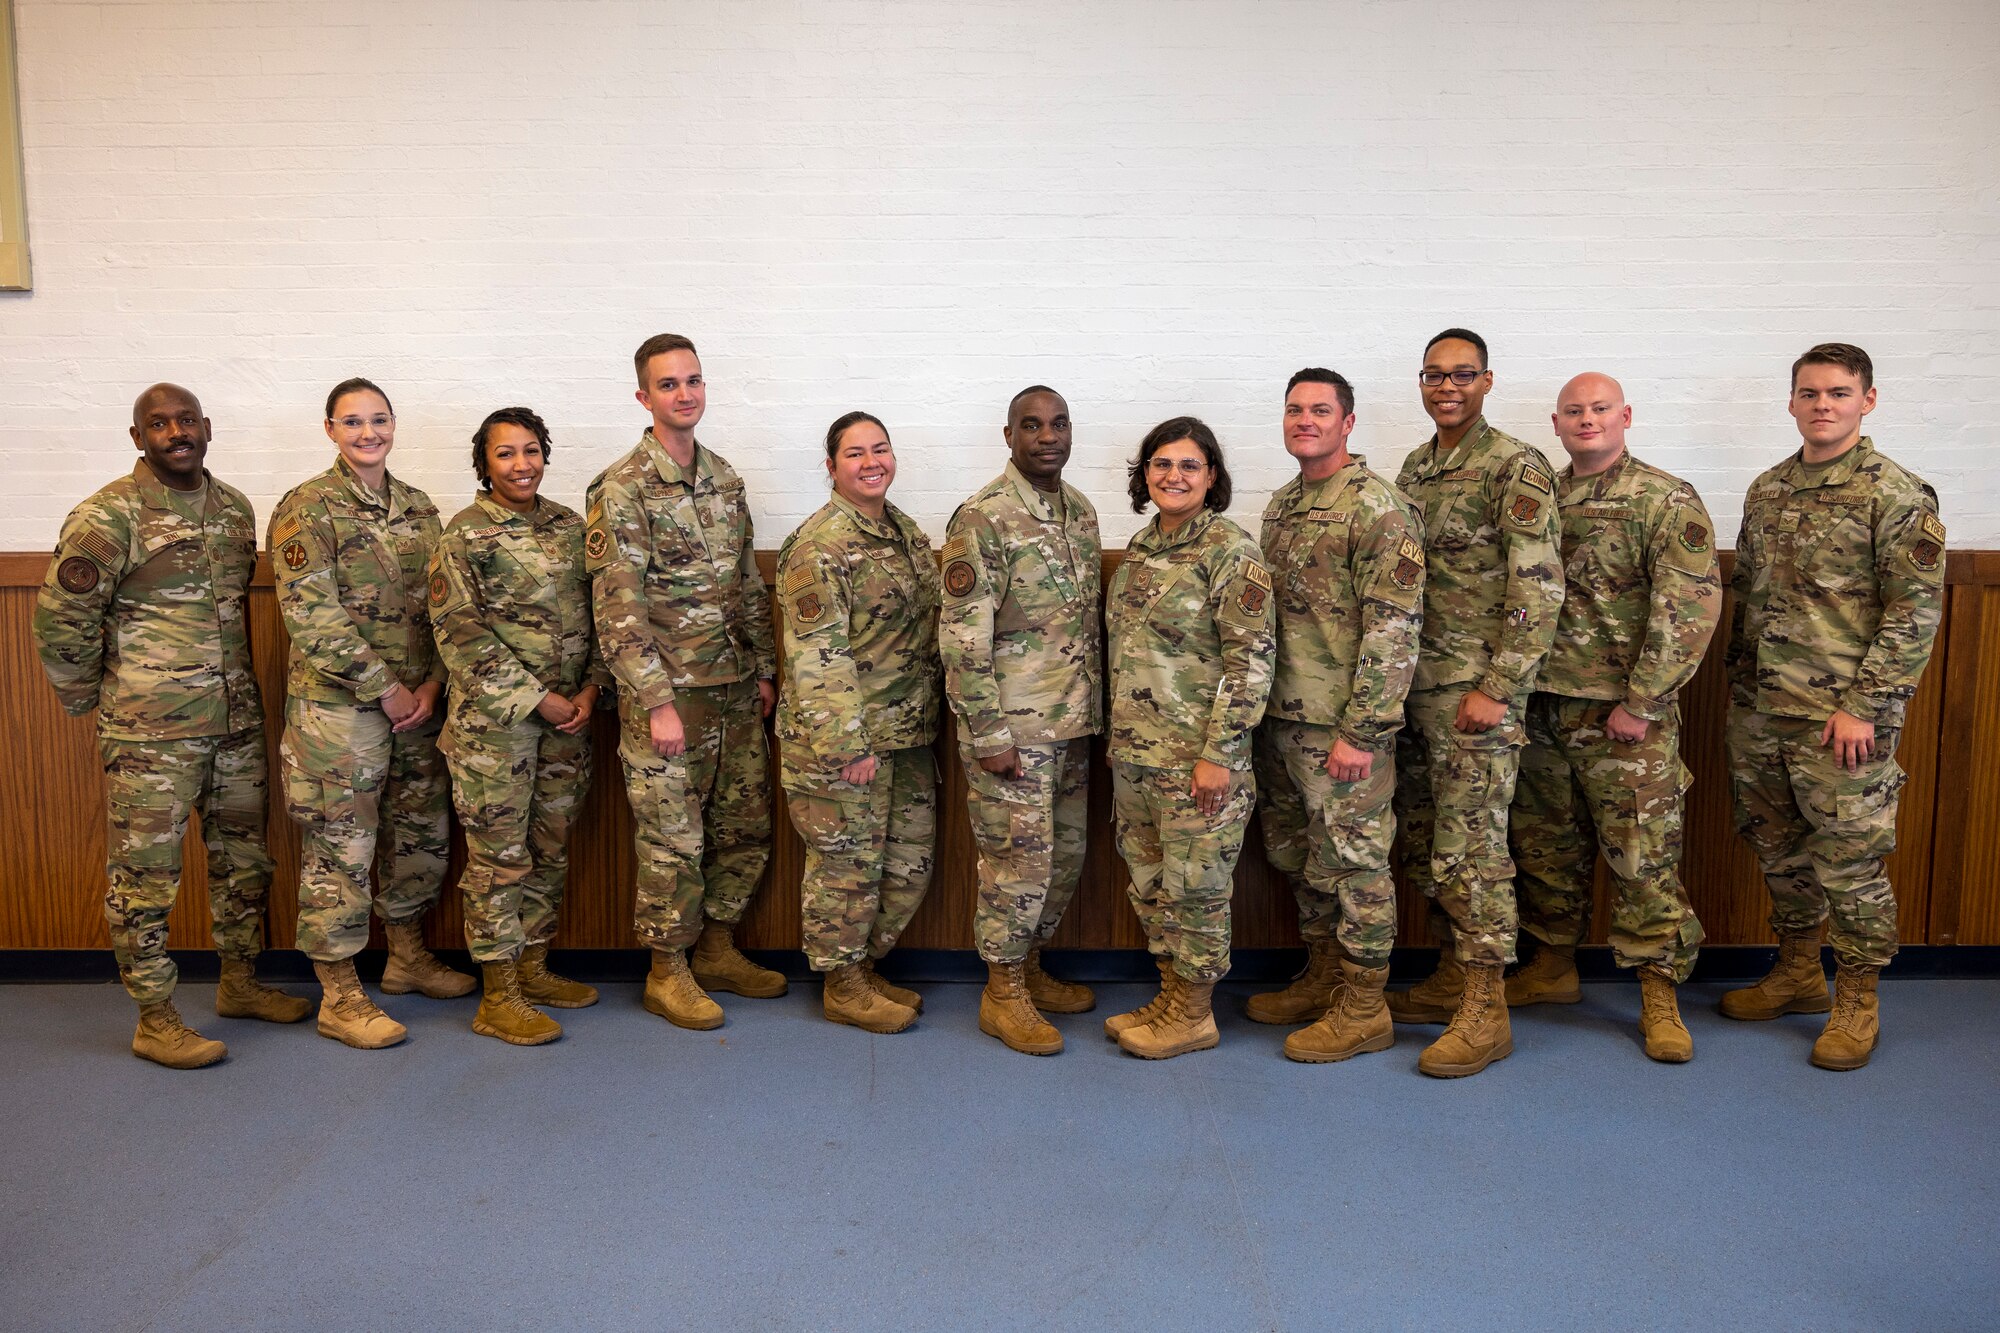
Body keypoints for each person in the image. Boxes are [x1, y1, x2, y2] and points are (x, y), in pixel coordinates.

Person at [34, 383, 309, 1068]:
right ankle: (155, 1017)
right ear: (138, 438)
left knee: (245, 863)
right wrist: (95, 701)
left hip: (235, 724)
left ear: (207, 428)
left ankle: (240, 984)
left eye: (186, 420)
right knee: (145, 877)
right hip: (150, 733)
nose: (175, 432)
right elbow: (61, 619)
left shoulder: (234, 508)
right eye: (158, 424)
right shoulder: (109, 516)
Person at [1720, 343, 1943, 1070]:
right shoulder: (1768, 488)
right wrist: (1739, 694)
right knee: (1780, 852)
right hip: (1763, 709)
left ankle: (1858, 995)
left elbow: (1914, 613)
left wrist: (1866, 707)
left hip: (1841, 717)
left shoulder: (1895, 493)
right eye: (1810, 392)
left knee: (1850, 860)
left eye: (1839, 393)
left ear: (1867, 401)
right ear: (1791, 402)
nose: (1823, 404)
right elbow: (1748, 596)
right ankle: (1797, 969)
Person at [1505, 373, 1720, 1062]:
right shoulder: (1541, 498)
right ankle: (1553, 966)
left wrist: (1643, 701)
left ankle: (1659, 993)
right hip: (1543, 706)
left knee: (1641, 856)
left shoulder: (1664, 497)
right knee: (1544, 848)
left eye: (1599, 409)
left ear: (1625, 415)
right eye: (1574, 411)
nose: (1587, 419)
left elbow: (1688, 609)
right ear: (1557, 422)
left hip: (1624, 716)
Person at [586, 334, 785, 1032]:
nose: (685, 393)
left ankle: (718, 948)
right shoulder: (621, 487)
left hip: (733, 691)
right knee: (673, 841)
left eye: (694, 380)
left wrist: (762, 668)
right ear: (643, 396)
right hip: (669, 700)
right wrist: (655, 701)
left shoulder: (724, 479)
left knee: (743, 827)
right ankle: (667, 971)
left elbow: (746, 586)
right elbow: (618, 606)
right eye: (668, 384)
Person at [270, 377, 470, 1050]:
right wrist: (386, 688)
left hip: (418, 707)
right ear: (329, 428)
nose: (367, 433)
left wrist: (435, 685)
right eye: (352, 422)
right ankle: (339, 992)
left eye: (378, 419)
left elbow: (445, 603)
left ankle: (407, 957)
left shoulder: (418, 508)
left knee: (420, 839)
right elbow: (312, 616)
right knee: (342, 850)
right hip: (343, 713)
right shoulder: (308, 507)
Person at [1390, 328, 1564, 1078]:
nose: (1447, 385)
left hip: (1476, 699)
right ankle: (1450, 975)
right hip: (1417, 692)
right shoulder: (1417, 468)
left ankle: (1486, 1009)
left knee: (1475, 851)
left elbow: (1539, 582)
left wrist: (1500, 687)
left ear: (1488, 382)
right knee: (1432, 840)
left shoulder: (1512, 465)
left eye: (1463, 374)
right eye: (1435, 374)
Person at [1246, 369, 1424, 1064]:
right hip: (1281, 717)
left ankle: (1364, 1003)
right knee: (1299, 855)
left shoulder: (1379, 507)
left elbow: (1394, 626)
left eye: (1320, 410)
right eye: (1294, 409)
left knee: (1355, 863)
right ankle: (1322, 974)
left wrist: (1364, 730)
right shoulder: (1284, 505)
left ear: (1348, 422)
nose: (1305, 420)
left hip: (1343, 728)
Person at [430, 408, 609, 1045]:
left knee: (550, 847)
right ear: (484, 464)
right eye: (505, 454)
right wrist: (538, 700)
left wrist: (590, 687)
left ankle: (533, 966)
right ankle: (498, 993)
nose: (521, 465)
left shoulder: (570, 527)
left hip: (570, 721)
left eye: (531, 451)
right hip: (496, 730)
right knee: (499, 860)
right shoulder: (465, 535)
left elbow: (602, 613)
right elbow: (460, 634)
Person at [1103, 417, 1275, 1060]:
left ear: (1212, 477)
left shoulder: (1231, 553)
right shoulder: (1143, 547)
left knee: (1198, 888)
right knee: (1150, 882)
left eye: (1189, 466)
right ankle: (1174, 994)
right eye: (1161, 465)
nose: (1173, 476)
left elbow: (1250, 662)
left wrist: (1221, 755)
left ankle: (1195, 1014)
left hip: (1198, 761)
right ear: (1144, 475)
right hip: (1137, 755)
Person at [939, 385, 1103, 1056]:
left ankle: (1030, 965)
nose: (1047, 436)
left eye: (1059, 423)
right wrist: (987, 732)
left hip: (1071, 724)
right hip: (1013, 733)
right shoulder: (983, 518)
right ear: (1008, 435)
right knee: (1016, 865)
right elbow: (962, 637)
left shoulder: (1082, 513)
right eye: (1031, 425)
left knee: (1061, 862)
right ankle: (1002, 990)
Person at [776, 411, 942, 1033]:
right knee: (846, 867)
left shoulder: (902, 532)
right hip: (843, 741)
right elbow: (818, 656)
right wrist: (847, 744)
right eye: (854, 453)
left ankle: (864, 966)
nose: (871, 461)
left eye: (881, 449)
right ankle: (841, 982)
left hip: (906, 735)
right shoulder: (818, 547)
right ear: (831, 467)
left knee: (906, 862)